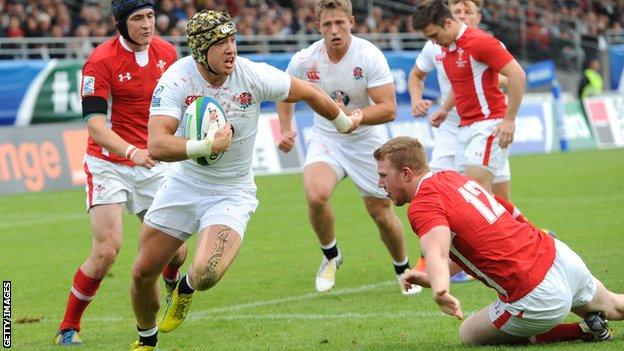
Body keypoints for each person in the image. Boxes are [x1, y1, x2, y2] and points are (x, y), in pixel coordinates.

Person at [129, 10, 362, 351]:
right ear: (199, 50)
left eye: (232, 40)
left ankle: (186, 290)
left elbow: (310, 93)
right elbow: (157, 144)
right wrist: (207, 145)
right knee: (141, 272)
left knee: (207, 272)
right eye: (220, 43)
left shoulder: (251, 75)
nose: (230, 49)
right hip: (183, 183)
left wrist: (343, 123)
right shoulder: (176, 79)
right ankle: (147, 342)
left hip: (231, 191)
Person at [374, 136, 624, 345]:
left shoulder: (422, 204)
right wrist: (432, 279)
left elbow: (437, 252)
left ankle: (582, 331)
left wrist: (441, 290)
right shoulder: (451, 177)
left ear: (406, 173)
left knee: (468, 334)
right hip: (558, 256)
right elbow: (491, 225)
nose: (380, 183)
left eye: (384, 175)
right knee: (614, 305)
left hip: (535, 294)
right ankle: (594, 323)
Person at [54, 0, 187, 346]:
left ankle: (172, 282)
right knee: (107, 250)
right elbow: (94, 125)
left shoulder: (168, 53)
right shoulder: (100, 61)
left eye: (150, 16)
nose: (147, 24)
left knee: (176, 252)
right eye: (138, 18)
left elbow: (181, 105)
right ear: (119, 22)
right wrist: (130, 151)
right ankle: (69, 327)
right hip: (109, 164)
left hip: (153, 164)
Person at [276, 0, 421, 296]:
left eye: (340, 23)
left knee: (381, 214)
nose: (334, 30)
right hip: (327, 138)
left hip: (367, 140)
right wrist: (286, 128)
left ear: (352, 22)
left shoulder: (368, 56)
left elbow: (389, 108)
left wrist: (357, 117)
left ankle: (402, 268)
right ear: (318, 27)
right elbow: (284, 91)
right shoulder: (305, 60)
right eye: (327, 25)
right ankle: (331, 256)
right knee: (316, 195)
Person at [412, 0, 526, 195]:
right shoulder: (447, 48)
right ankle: (530, 228)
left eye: (434, 35)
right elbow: (460, 83)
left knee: (473, 195)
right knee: (478, 200)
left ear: (448, 23)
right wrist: (445, 110)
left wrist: (509, 120)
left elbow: (517, 75)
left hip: (489, 125)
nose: (433, 41)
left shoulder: (481, 42)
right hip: (464, 128)